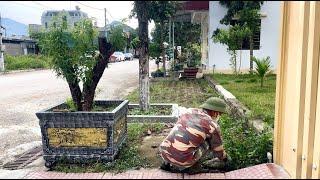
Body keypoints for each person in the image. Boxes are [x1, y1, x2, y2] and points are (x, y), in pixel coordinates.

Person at [159, 97, 230, 174]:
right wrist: (226, 159)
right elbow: (218, 150)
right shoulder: (212, 126)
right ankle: (193, 168)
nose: (220, 116)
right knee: (207, 143)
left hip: (164, 151)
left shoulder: (189, 111)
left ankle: (167, 163)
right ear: (215, 112)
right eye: (220, 114)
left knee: (179, 135)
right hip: (183, 160)